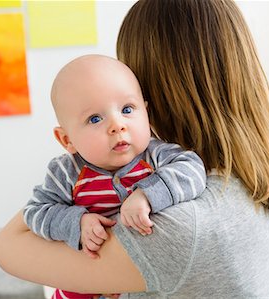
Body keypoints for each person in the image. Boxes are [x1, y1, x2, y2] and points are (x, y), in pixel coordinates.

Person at [0, 0, 269, 298]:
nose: (117, 125)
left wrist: (77, 164)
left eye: (128, 103)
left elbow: (6, 247)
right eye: (96, 117)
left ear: (152, 95)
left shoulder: (174, 227)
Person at [24, 54, 206, 299]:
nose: (117, 125)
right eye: (95, 119)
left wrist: (146, 194)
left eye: (127, 109)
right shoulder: (66, 173)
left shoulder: (155, 155)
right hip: (81, 284)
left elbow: (193, 170)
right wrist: (76, 222)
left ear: (146, 113)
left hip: (140, 281)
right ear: (67, 140)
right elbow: (35, 212)